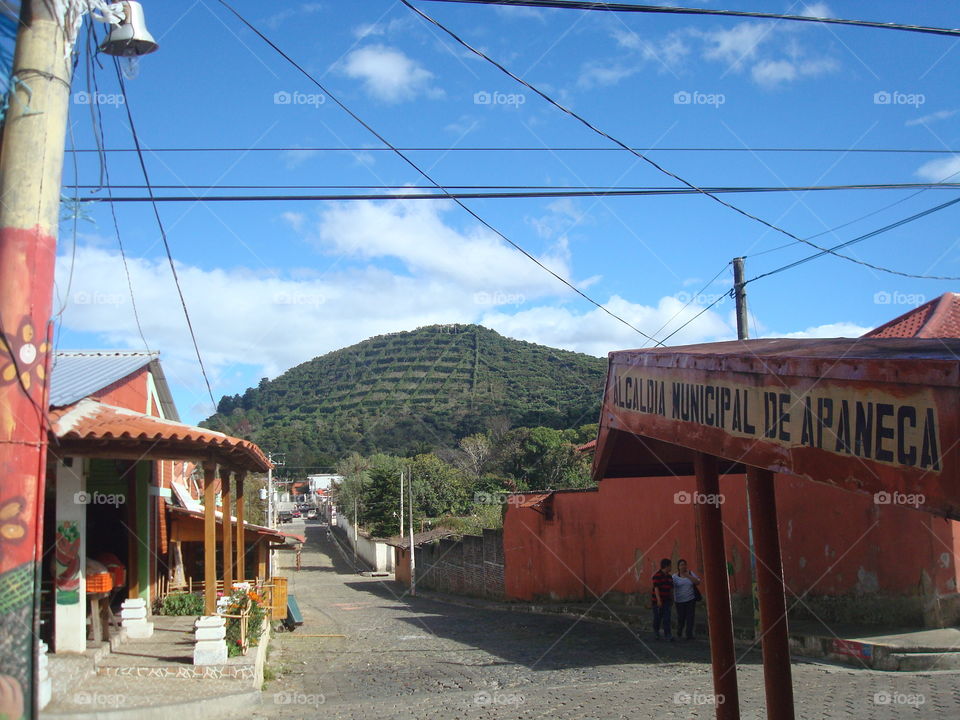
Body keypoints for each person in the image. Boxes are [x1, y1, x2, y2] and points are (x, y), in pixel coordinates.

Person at [673, 558, 701, 640]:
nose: (683, 566)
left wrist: (688, 575)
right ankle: (679, 630)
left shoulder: (691, 573)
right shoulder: (674, 577)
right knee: (681, 618)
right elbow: (671, 586)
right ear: (678, 567)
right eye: (681, 565)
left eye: (684, 564)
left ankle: (689, 634)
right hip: (679, 601)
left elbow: (698, 582)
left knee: (690, 617)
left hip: (690, 600)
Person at [651, 558, 674, 641]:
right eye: (670, 566)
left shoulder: (669, 577)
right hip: (657, 601)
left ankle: (668, 634)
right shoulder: (657, 576)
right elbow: (656, 588)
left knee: (667, 618)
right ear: (666, 566)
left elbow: (671, 589)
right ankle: (656, 632)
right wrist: (658, 600)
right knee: (657, 617)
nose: (671, 567)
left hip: (667, 600)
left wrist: (672, 598)